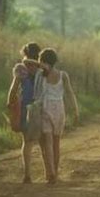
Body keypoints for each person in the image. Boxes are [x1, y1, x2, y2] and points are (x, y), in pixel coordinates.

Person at [38, 48, 79, 184]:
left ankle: (52, 172)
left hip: (46, 108)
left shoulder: (41, 75)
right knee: (56, 143)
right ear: (55, 61)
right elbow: (70, 93)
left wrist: (42, 65)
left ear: (42, 61)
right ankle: (54, 172)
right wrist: (75, 109)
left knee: (49, 142)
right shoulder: (63, 75)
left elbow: (26, 61)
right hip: (59, 109)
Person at [7, 42, 44, 184]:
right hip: (40, 108)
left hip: (25, 108)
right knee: (43, 141)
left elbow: (14, 88)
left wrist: (10, 103)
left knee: (27, 142)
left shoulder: (21, 69)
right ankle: (49, 171)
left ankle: (27, 173)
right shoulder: (42, 68)